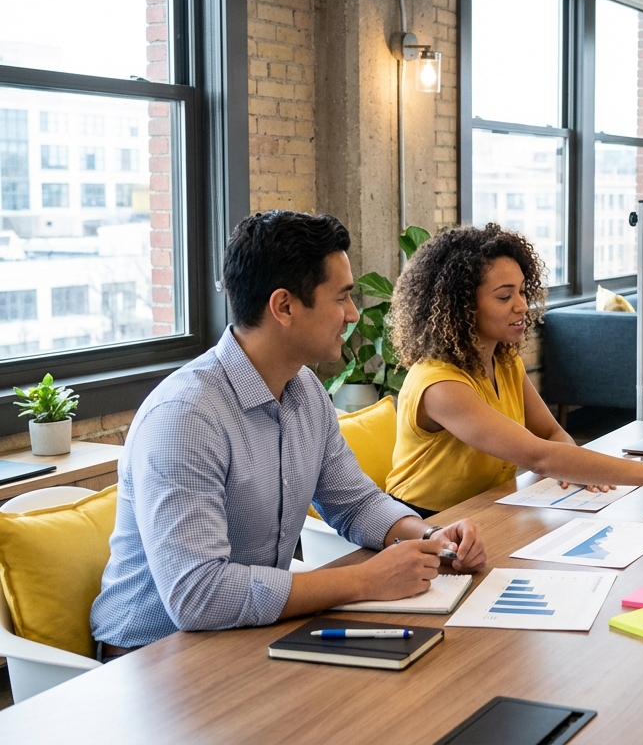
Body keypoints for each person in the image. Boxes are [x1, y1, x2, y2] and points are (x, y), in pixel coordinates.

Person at [91, 211, 486, 658]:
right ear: (283, 307)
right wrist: (365, 580)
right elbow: (197, 595)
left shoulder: (305, 390)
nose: (352, 314)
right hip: (150, 656)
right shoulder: (184, 418)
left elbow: (355, 503)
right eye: (342, 298)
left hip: (243, 634)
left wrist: (431, 538)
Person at [384, 224, 643, 516]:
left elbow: (552, 434)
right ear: (462, 306)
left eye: (522, 292)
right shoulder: (439, 385)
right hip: (426, 522)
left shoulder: (504, 359)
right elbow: (538, 456)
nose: (522, 306)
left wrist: (574, 467)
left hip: (486, 508)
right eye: (505, 296)